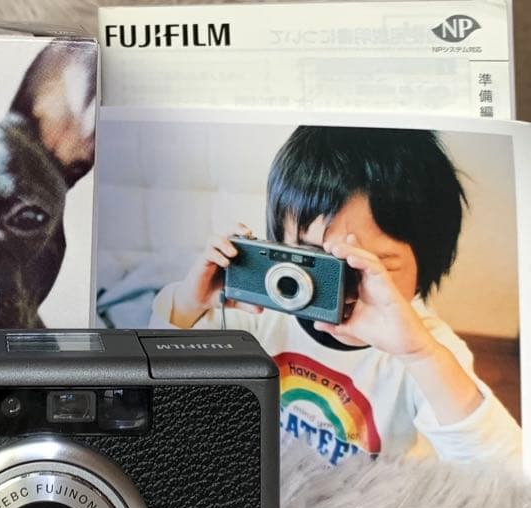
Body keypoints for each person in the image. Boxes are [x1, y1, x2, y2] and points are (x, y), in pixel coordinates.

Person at [150, 126, 522, 468]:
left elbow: (505, 476)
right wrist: (187, 305)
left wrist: (420, 356)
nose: (344, 287)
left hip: (364, 505)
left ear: (428, 264)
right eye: (316, 260)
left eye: (374, 266)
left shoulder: (428, 349)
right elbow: (160, 394)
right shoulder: (256, 310)